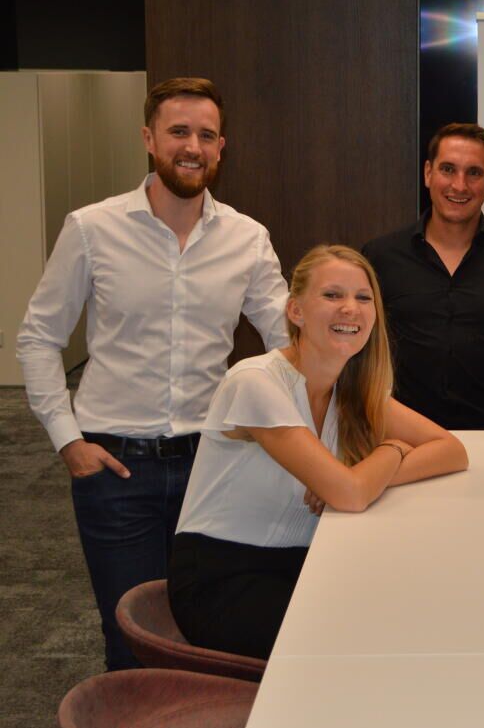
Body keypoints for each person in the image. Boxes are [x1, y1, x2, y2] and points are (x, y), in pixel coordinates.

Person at [16, 77, 289, 670]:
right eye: (178, 132)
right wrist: (68, 441)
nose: (192, 147)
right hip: (114, 470)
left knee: (209, 632)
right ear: (149, 139)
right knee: (132, 641)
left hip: (211, 466)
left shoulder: (247, 238)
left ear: (221, 148)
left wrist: (285, 434)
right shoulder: (91, 228)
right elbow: (38, 338)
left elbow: (288, 344)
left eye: (206, 135)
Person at [168, 245, 468, 660]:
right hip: (224, 578)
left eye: (363, 297)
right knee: (368, 645)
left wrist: (364, 475)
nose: (350, 308)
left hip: (303, 565)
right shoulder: (255, 382)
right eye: (332, 295)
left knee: (417, 613)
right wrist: (391, 449)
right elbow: (351, 494)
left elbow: (451, 450)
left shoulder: (351, 390)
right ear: (296, 311)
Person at [362, 123, 484, 430]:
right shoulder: (379, 257)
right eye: (448, 169)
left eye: (474, 173)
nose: (459, 185)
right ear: (428, 173)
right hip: (402, 438)